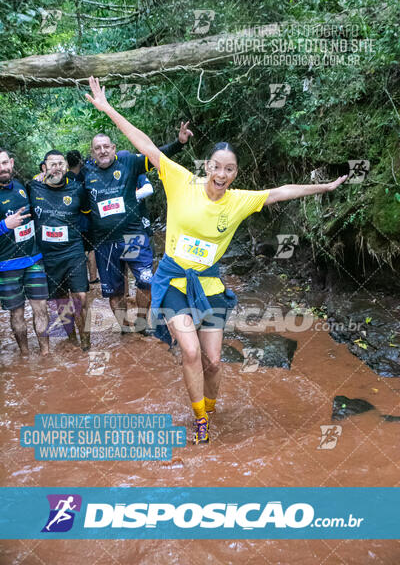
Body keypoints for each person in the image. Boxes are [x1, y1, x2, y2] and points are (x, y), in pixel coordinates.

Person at [85, 76, 347, 445]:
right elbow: (143, 143)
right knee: (189, 351)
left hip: (209, 286)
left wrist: (325, 187)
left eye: (230, 169)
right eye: (217, 167)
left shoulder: (239, 200)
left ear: (235, 173)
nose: (222, 175)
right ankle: (200, 419)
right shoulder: (180, 180)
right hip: (174, 281)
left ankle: (210, 405)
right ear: (207, 165)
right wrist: (108, 108)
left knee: (213, 362)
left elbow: (280, 192)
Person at [81, 122, 193, 334]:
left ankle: (141, 324)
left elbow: (157, 156)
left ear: (113, 148)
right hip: (105, 243)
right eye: (98, 148)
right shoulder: (86, 172)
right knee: (115, 293)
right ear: (92, 152)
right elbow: (67, 191)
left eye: (106, 146)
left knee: (146, 281)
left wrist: (179, 143)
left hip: (132, 237)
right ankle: (125, 329)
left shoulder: (128, 162)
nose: (103, 151)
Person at [28, 150, 91, 351]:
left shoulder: (77, 189)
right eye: (52, 164)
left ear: (66, 167)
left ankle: (87, 346)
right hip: (48, 256)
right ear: (44, 167)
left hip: (73, 251)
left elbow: (88, 216)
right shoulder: (32, 188)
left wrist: (90, 246)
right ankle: (72, 340)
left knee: (81, 297)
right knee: (61, 300)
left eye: (60, 164)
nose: (57, 167)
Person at [0, 148, 49, 356]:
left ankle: (47, 355)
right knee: (17, 313)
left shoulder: (21, 187)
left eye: (3, 163)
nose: (1, 169)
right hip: (7, 265)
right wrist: (4, 225)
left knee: (41, 309)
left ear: (11, 163)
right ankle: (25, 355)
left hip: (34, 260)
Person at [66, 150, 99, 285]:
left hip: (70, 219)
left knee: (76, 247)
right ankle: (93, 277)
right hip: (87, 217)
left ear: (67, 163)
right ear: (80, 161)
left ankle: (78, 280)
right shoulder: (86, 175)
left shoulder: (64, 178)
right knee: (91, 248)